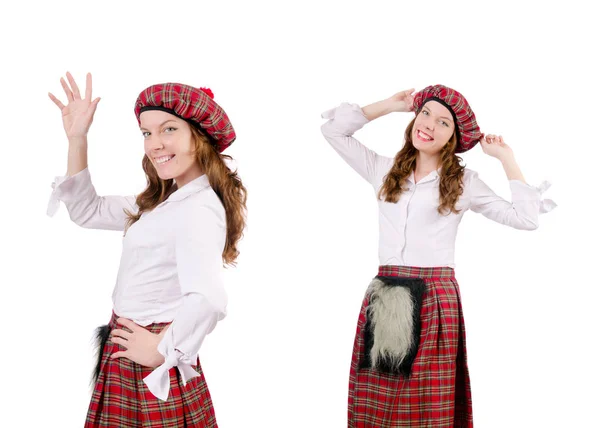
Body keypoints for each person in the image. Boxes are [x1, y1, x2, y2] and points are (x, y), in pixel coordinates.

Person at [320, 85, 556, 427]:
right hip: (385, 295)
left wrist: (507, 158)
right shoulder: (382, 169)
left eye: (443, 122)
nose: (429, 124)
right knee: (379, 399)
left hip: (433, 299)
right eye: (426, 113)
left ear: (453, 138)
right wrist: (389, 105)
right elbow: (332, 130)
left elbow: (526, 218)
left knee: (425, 407)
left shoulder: (464, 182)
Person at [47, 72, 247, 427]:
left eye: (169, 129)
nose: (154, 143)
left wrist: (161, 348)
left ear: (198, 137)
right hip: (129, 344)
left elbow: (209, 298)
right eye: (147, 133)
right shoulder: (160, 202)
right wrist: (77, 139)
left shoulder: (198, 208)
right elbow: (87, 211)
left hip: (149, 352)